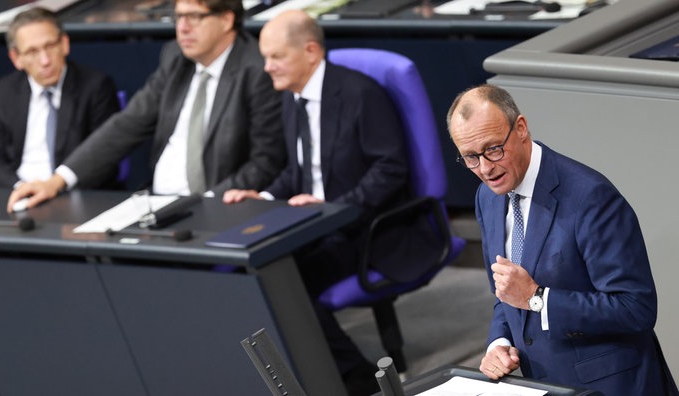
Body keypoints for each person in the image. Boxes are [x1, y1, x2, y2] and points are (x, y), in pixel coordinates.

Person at [446, 84, 678, 395]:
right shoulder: (487, 198)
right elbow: (506, 293)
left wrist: (538, 298)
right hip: (544, 383)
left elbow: (635, 307)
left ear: (521, 129)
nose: (485, 168)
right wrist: (498, 342)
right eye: (471, 157)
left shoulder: (590, 197)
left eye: (493, 149)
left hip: (613, 386)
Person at [223, 10, 408, 395]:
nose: (267, 67)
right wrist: (267, 195)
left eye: (276, 57)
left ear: (310, 51)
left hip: (366, 227)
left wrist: (333, 205)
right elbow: (300, 170)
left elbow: (390, 169)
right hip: (321, 225)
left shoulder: (360, 94)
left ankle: (357, 377)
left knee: (286, 281)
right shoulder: (293, 98)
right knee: (253, 272)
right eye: (265, 57)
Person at [7, 0, 285, 211]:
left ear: (226, 20)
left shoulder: (257, 69)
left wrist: (206, 204)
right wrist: (57, 181)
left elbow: (266, 161)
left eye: (194, 17)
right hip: (157, 203)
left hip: (215, 206)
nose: (182, 27)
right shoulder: (175, 58)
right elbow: (127, 124)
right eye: (178, 16)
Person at [0, 7, 120, 189]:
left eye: (50, 46)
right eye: (32, 52)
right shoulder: (4, 91)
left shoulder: (95, 86)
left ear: (64, 44)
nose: (45, 61)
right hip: (19, 192)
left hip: (72, 192)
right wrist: (21, 188)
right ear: (16, 58)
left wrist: (57, 186)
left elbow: (105, 159)